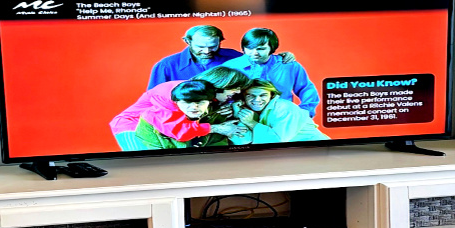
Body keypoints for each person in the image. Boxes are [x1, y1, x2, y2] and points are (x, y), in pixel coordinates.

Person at [109, 79, 246, 151]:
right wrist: (217, 128)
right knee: (142, 165)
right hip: (131, 125)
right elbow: (180, 131)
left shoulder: (192, 88)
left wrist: (232, 105)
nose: (231, 97)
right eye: (231, 94)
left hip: (162, 126)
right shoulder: (167, 100)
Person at [147, 24, 298, 89]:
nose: (207, 51)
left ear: (220, 41)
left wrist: (281, 57)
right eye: (200, 47)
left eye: (213, 46)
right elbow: (154, 99)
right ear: (187, 41)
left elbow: (259, 60)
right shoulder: (166, 66)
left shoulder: (232, 56)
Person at [222, 27, 320, 118]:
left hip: (280, 118)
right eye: (250, 48)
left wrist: (305, 112)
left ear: (272, 48)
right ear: (243, 48)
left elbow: (306, 89)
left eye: (261, 49)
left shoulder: (289, 66)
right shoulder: (231, 66)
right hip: (242, 119)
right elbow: (214, 88)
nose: (254, 53)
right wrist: (227, 106)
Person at [232, 80, 330, 143]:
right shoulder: (250, 110)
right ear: (243, 98)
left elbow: (276, 141)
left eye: (263, 95)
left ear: (272, 95)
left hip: (317, 151)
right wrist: (238, 114)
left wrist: (251, 123)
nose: (257, 100)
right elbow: (242, 141)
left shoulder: (285, 108)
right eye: (250, 96)